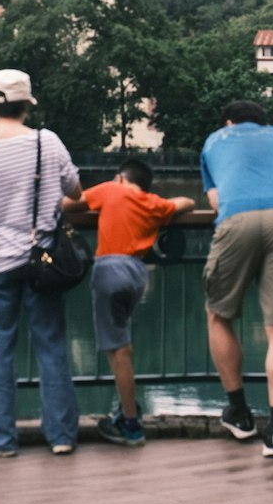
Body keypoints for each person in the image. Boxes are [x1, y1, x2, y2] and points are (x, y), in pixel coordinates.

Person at [0, 68, 83, 458]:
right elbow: (75, 191)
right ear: (26, 104)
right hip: (41, 261)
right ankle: (61, 436)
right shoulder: (47, 142)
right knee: (52, 345)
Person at [200, 99, 273, 459]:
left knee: (219, 313)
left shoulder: (215, 141)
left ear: (229, 122)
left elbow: (217, 203)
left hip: (237, 220)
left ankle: (240, 413)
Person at [61, 158, 194, 447]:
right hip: (136, 274)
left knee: (119, 350)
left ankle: (130, 423)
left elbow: (69, 204)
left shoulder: (112, 189)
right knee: (122, 341)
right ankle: (126, 409)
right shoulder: (152, 202)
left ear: (121, 177)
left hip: (110, 270)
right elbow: (187, 203)